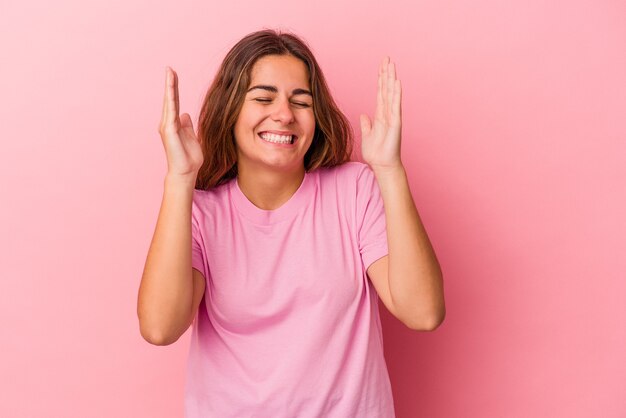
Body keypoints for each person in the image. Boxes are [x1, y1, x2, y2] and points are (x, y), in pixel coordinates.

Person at [137, 29, 445, 418]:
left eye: (300, 101)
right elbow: (160, 328)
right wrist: (180, 180)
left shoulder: (354, 191)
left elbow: (424, 312)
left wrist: (389, 170)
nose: (284, 114)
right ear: (230, 110)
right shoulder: (199, 213)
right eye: (264, 98)